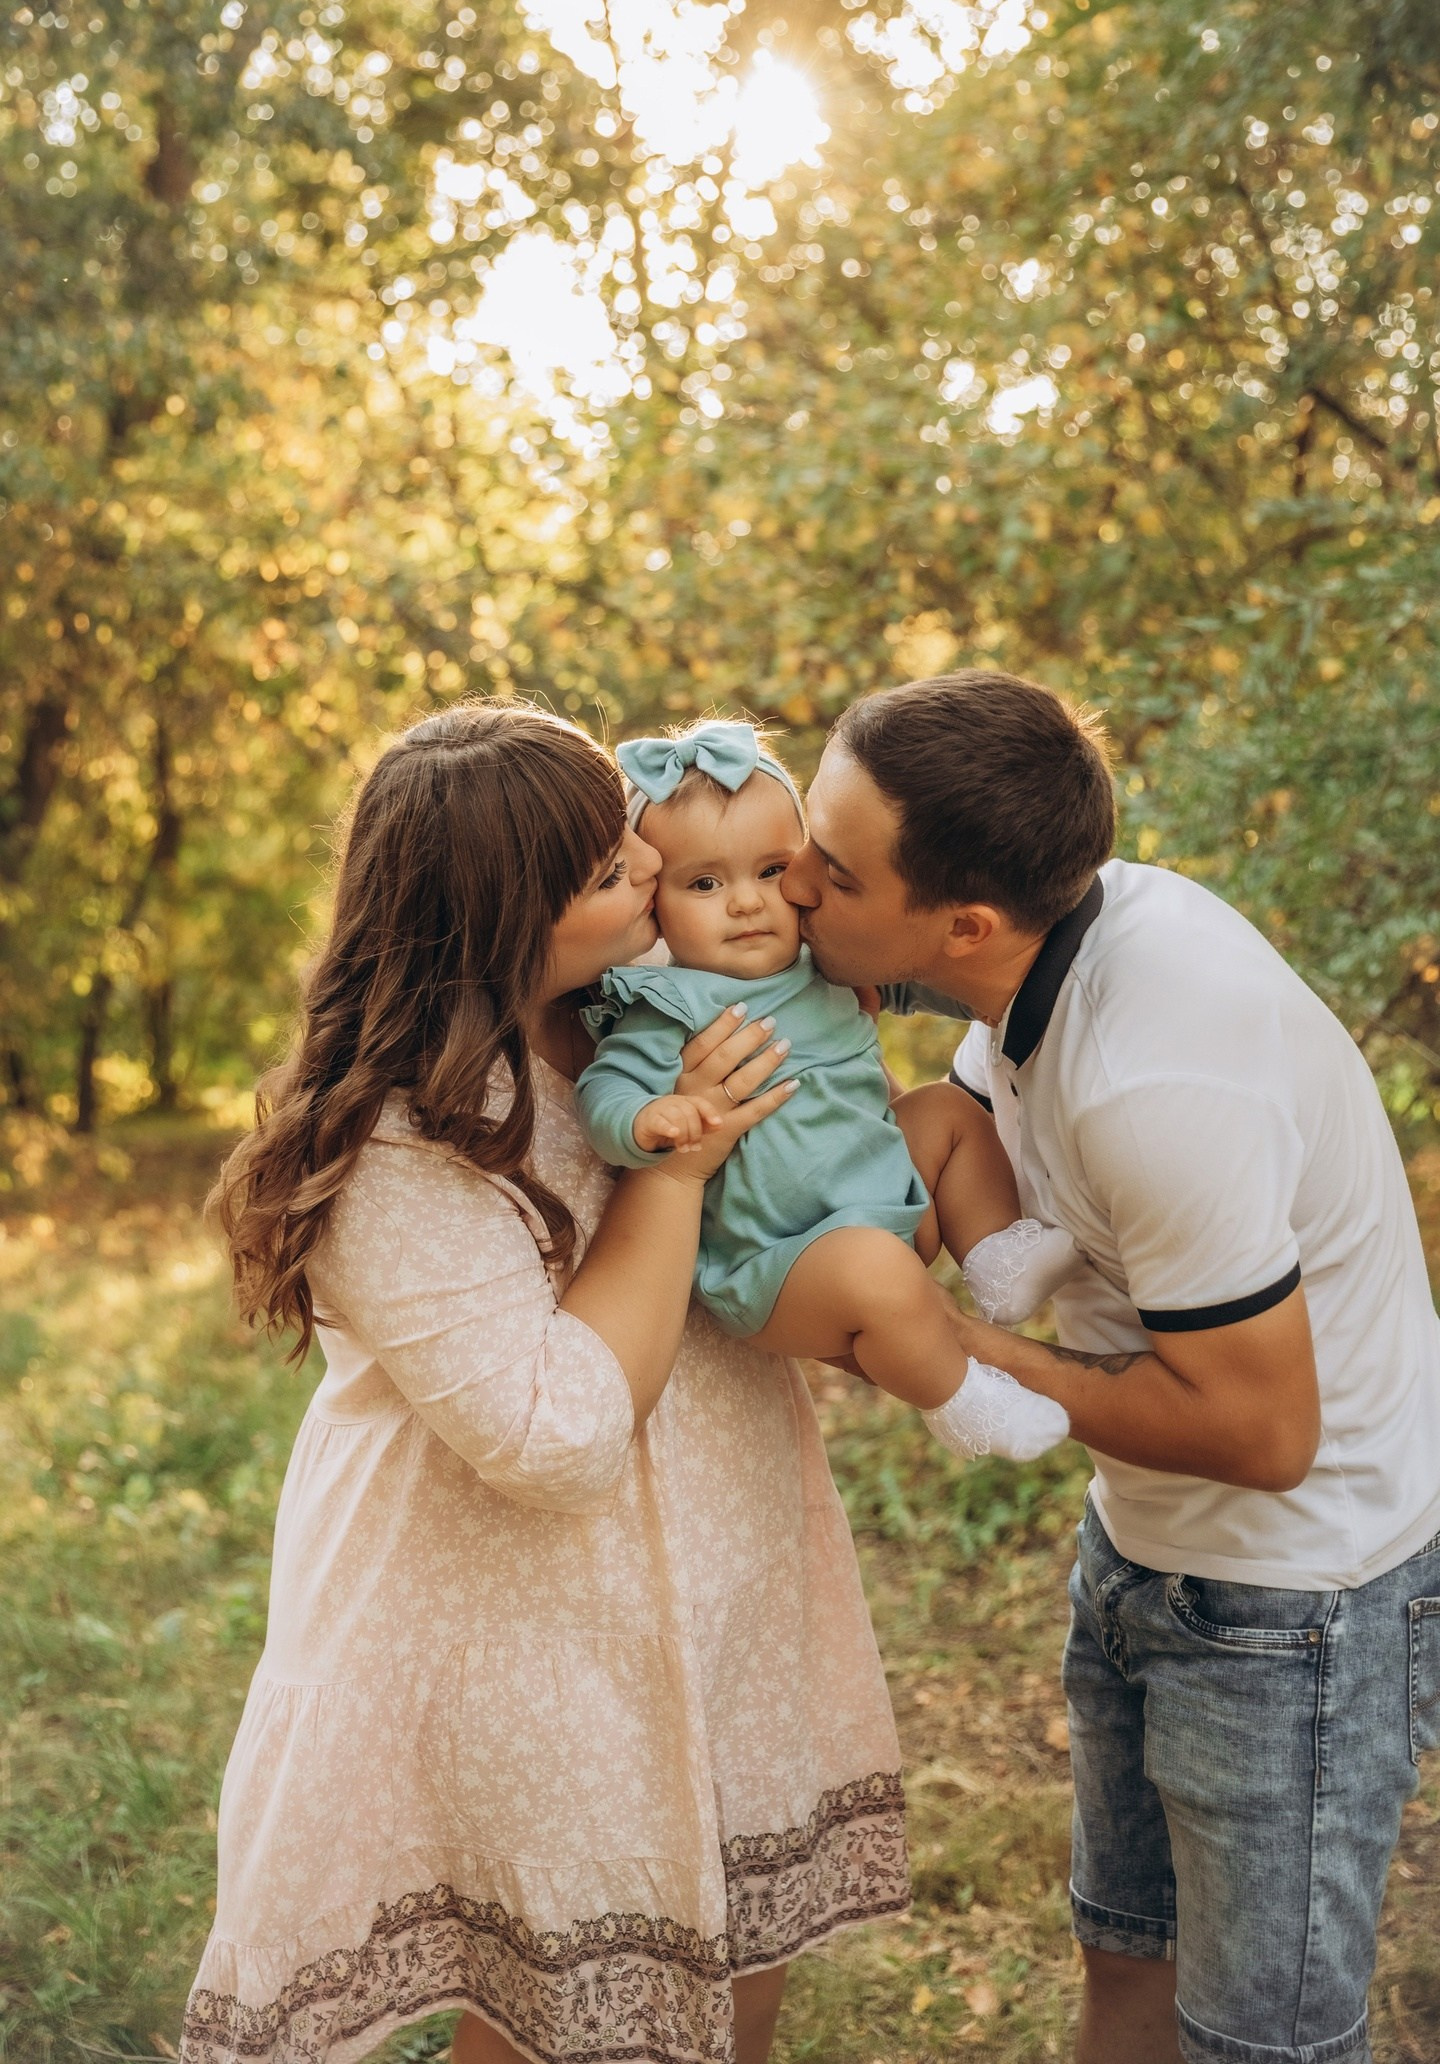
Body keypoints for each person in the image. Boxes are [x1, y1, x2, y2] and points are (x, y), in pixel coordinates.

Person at [179, 701, 910, 2064]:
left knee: (734, 1977)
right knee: (565, 2014)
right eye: (606, 872)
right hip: (518, 1632)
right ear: (498, 920)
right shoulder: (402, 1138)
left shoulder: (649, 1009)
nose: (649, 866)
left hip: (724, 1574)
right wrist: (673, 1171)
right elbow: (555, 1433)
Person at [781, 668, 1440, 2064]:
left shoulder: (1155, 1078)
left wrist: (970, 1348)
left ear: (959, 922)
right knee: (1125, 1959)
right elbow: (947, 1138)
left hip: (1292, 1602)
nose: (789, 887)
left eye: (827, 871)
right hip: (1145, 1546)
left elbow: (1267, 1435)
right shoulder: (1051, 949)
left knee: (1264, 2044)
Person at [575, 717, 1076, 1463]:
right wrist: (648, 1116)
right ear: (657, 907)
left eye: (771, 871)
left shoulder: (826, 960)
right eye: (705, 883)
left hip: (892, 1201)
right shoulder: (667, 1004)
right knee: (872, 1272)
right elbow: (604, 1088)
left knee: (944, 1110)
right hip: (784, 1265)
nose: (746, 902)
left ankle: (997, 1257)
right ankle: (962, 1402)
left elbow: (950, 971)